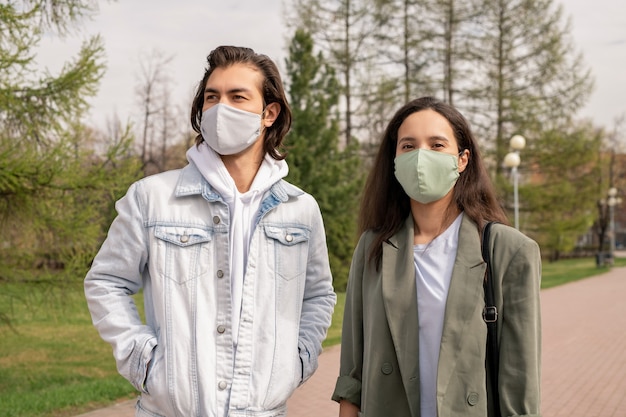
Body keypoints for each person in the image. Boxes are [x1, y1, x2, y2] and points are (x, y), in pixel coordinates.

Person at [84, 45, 336, 417]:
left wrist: (297, 361)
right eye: (212, 97)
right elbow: (105, 282)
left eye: (237, 96)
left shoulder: (301, 210)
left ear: (269, 113)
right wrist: (144, 361)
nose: (220, 108)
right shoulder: (151, 198)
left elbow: (317, 296)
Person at [331, 97, 541, 417]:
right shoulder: (373, 246)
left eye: (437, 144)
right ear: (394, 159)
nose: (421, 157)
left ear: (462, 159)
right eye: (408, 146)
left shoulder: (509, 251)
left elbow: (519, 378)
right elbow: (353, 365)